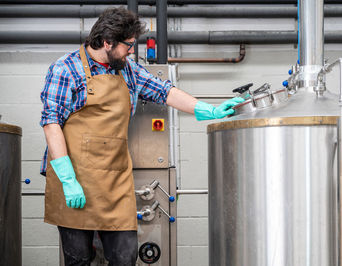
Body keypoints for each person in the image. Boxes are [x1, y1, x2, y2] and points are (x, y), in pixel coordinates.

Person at [39, 6, 244, 266]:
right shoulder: (65, 69)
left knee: (125, 257)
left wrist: (207, 109)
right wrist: (68, 179)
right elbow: (51, 124)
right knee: (78, 259)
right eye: (128, 45)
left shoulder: (128, 70)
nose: (132, 51)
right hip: (74, 177)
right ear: (107, 42)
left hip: (115, 182)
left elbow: (165, 91)